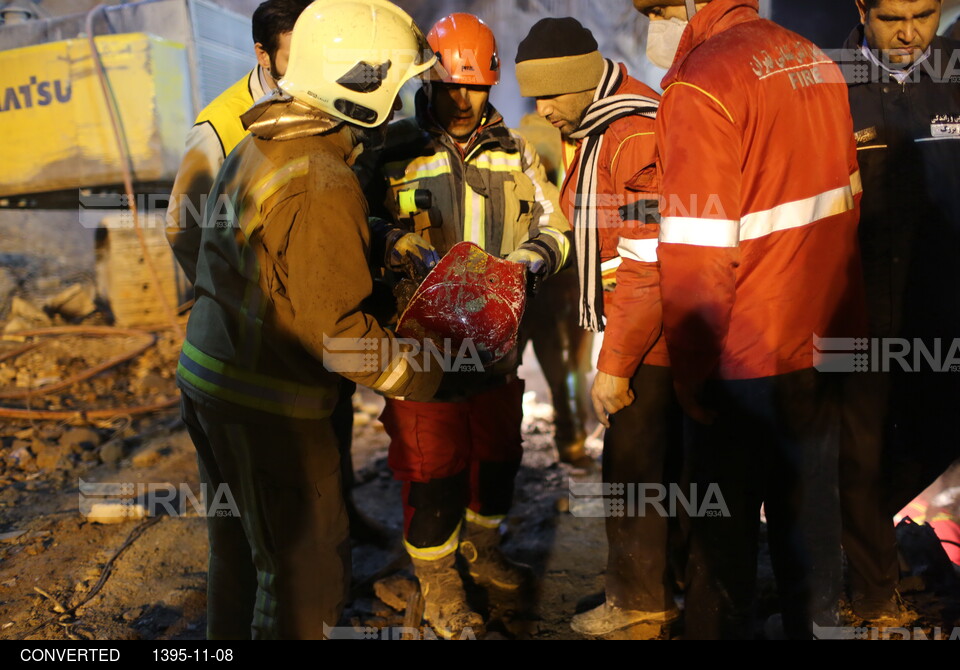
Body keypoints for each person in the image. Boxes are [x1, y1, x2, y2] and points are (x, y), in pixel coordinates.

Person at [176, 0, 446, 639]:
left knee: (243, 551)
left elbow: (278, 248)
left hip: (213, 378)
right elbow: (338, 334)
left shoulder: (267, 137)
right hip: (267, 402)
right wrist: (426, 376)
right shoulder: (321, 176)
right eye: (399, 81)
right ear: (363, 84)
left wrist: (378, 238)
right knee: (305, 571)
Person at [637, 0, 866, 639]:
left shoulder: (700, 83)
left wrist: (690, 365)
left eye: (656, 9)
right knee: (811, 523)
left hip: (742, 353)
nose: (654, 24)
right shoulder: (811, 58)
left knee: (721, 541)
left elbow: (697, 245)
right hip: (820, 343)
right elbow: (847, 202)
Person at [364, 13, 571, 639]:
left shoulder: (517, 152)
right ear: (427, 79)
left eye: (475, 88)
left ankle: (484, 547)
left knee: (499, 455)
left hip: (495, 345)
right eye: (450, 86)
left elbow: (555, 227)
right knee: (433, 470)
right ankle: (439, 578)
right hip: (422, 350)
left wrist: (528, 266)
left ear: (494, 83)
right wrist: (388, 241)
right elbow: (350, 227)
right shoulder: (389, 152)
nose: (461, 101)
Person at [165, 0, 386, 548]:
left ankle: (339, 513)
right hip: (264, 340)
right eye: (293, 59)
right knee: (277, 529)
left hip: (317, 320)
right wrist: (235, 297)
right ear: (261, 53)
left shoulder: (329, 99)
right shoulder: (220, 125)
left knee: (330, 421)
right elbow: (184, 225)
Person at [515, 17, 683, 636]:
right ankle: (666, 588)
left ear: (582, 82)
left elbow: (648, 261)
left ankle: (640, 603)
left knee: (634, 470)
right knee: (653, 467)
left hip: (652, 335)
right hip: (637, 324)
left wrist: (613, 365)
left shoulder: (632, 135)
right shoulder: (595, 127)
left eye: (550, 94)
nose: (541, 109)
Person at [837, 0, 960, 622]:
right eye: (892, 17)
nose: (910, 32)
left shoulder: (953, 75)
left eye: (926, 13)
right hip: (856, 310)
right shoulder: (828, 86)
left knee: (939, 430)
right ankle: (871, 592)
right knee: (861, 448)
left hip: (942, 307)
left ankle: (845, 531)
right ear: (862, 9)